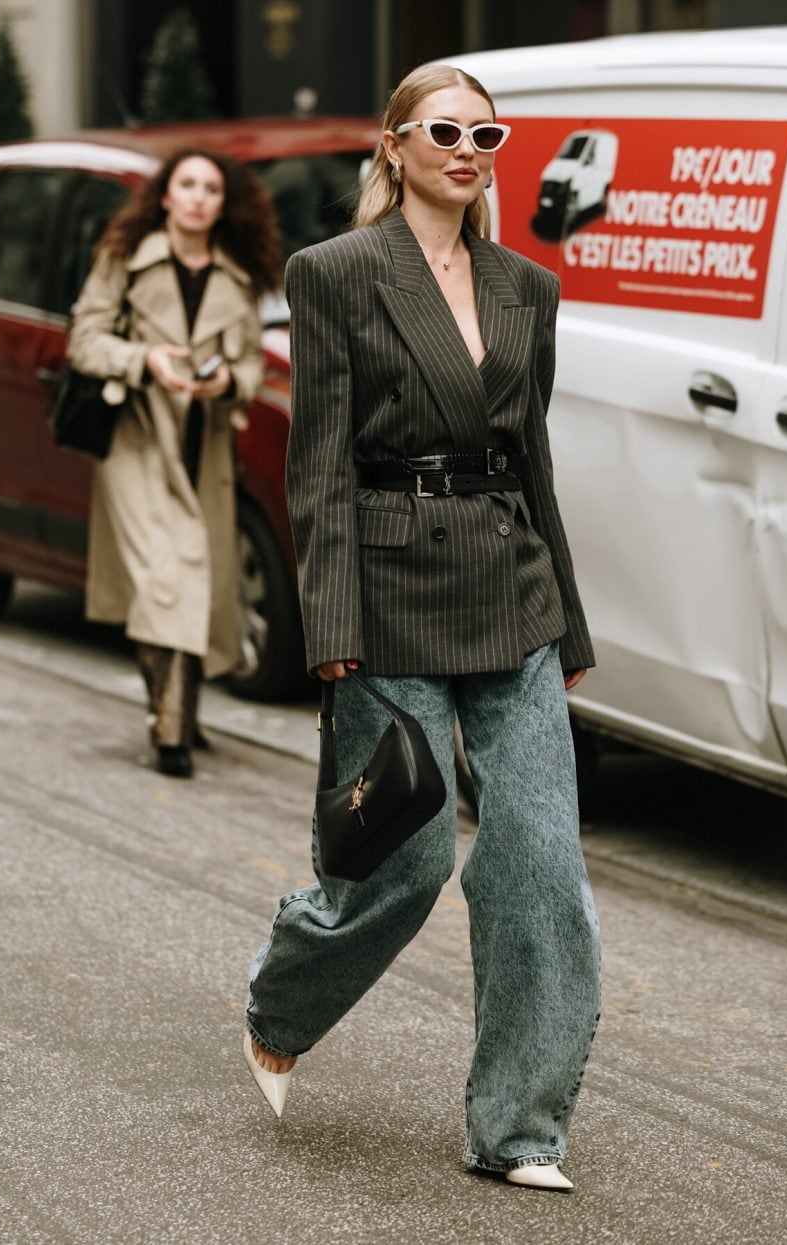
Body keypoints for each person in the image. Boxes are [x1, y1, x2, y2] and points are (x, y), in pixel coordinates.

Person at [244, 65, 602, 1191]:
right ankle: (282, 998)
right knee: (396, 865)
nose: (465, 147)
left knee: (541, 867)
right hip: (388, 595)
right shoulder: (336, 275)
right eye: (442, 130)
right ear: (393, 145)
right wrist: (330, 628)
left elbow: (531, 463)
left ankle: (518, 1128)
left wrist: (572, 627)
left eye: (482, 131)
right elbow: (319, 468)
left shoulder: (525, 287)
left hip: (515, 593)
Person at [67, 149, 281, 778]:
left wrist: (226, 383)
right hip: (138, 442)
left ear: (223, 203)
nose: (196, 197)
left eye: (210, 188)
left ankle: (175, 710)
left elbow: (250, 364)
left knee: (187, 579)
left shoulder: (238, 278)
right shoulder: (124, 263)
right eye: (185, 184)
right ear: (165, 195)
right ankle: (171, 731)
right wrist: (144, 361)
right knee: (168, 576)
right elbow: (84, 340)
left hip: (203, 447)